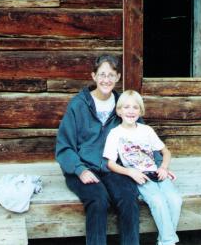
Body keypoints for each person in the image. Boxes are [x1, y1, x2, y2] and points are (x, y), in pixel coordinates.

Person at [55, 55, 140, 245]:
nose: (106, 80)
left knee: (129, 198)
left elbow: (142, 137)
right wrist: (80, 170)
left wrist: (160, 165)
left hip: (113, 167)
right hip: (82, 168)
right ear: (94, 76)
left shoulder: (123, 104)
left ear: (118, 77)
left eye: (111, 75)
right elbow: (64, 146)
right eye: (102, 74)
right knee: (99, 200)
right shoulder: (79, 105)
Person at [103, 90, 183, 245]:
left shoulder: (146, 130)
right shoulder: (115, 134)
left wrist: (164, 167)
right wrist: (129, 172)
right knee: (158, 201)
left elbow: (165, 152)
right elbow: (110, 163)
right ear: (119, 111)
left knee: (175, 200)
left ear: (140, 111)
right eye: (126, 107)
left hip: (157, 173)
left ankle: (164, 240)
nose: (131, 111)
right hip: (141, 177)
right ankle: (168, 241)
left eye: (135, 107)